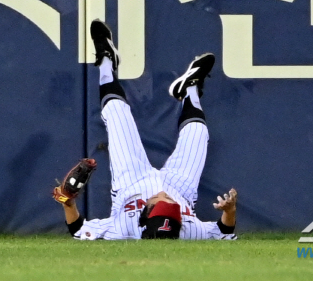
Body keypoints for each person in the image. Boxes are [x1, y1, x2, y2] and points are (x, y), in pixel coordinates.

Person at [57, 19, 237, 240]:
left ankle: (106, 61)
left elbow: (78, 230)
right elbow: (224, 232)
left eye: (159, 202)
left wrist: (67, 200)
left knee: (116, 112)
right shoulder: (189, 230)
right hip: (181, 188)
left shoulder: (123, 228)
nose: (163, 195)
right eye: (171, 205)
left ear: (144, 215)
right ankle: (190, 88)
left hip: (130, 182)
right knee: (198, 133)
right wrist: (229, 211)